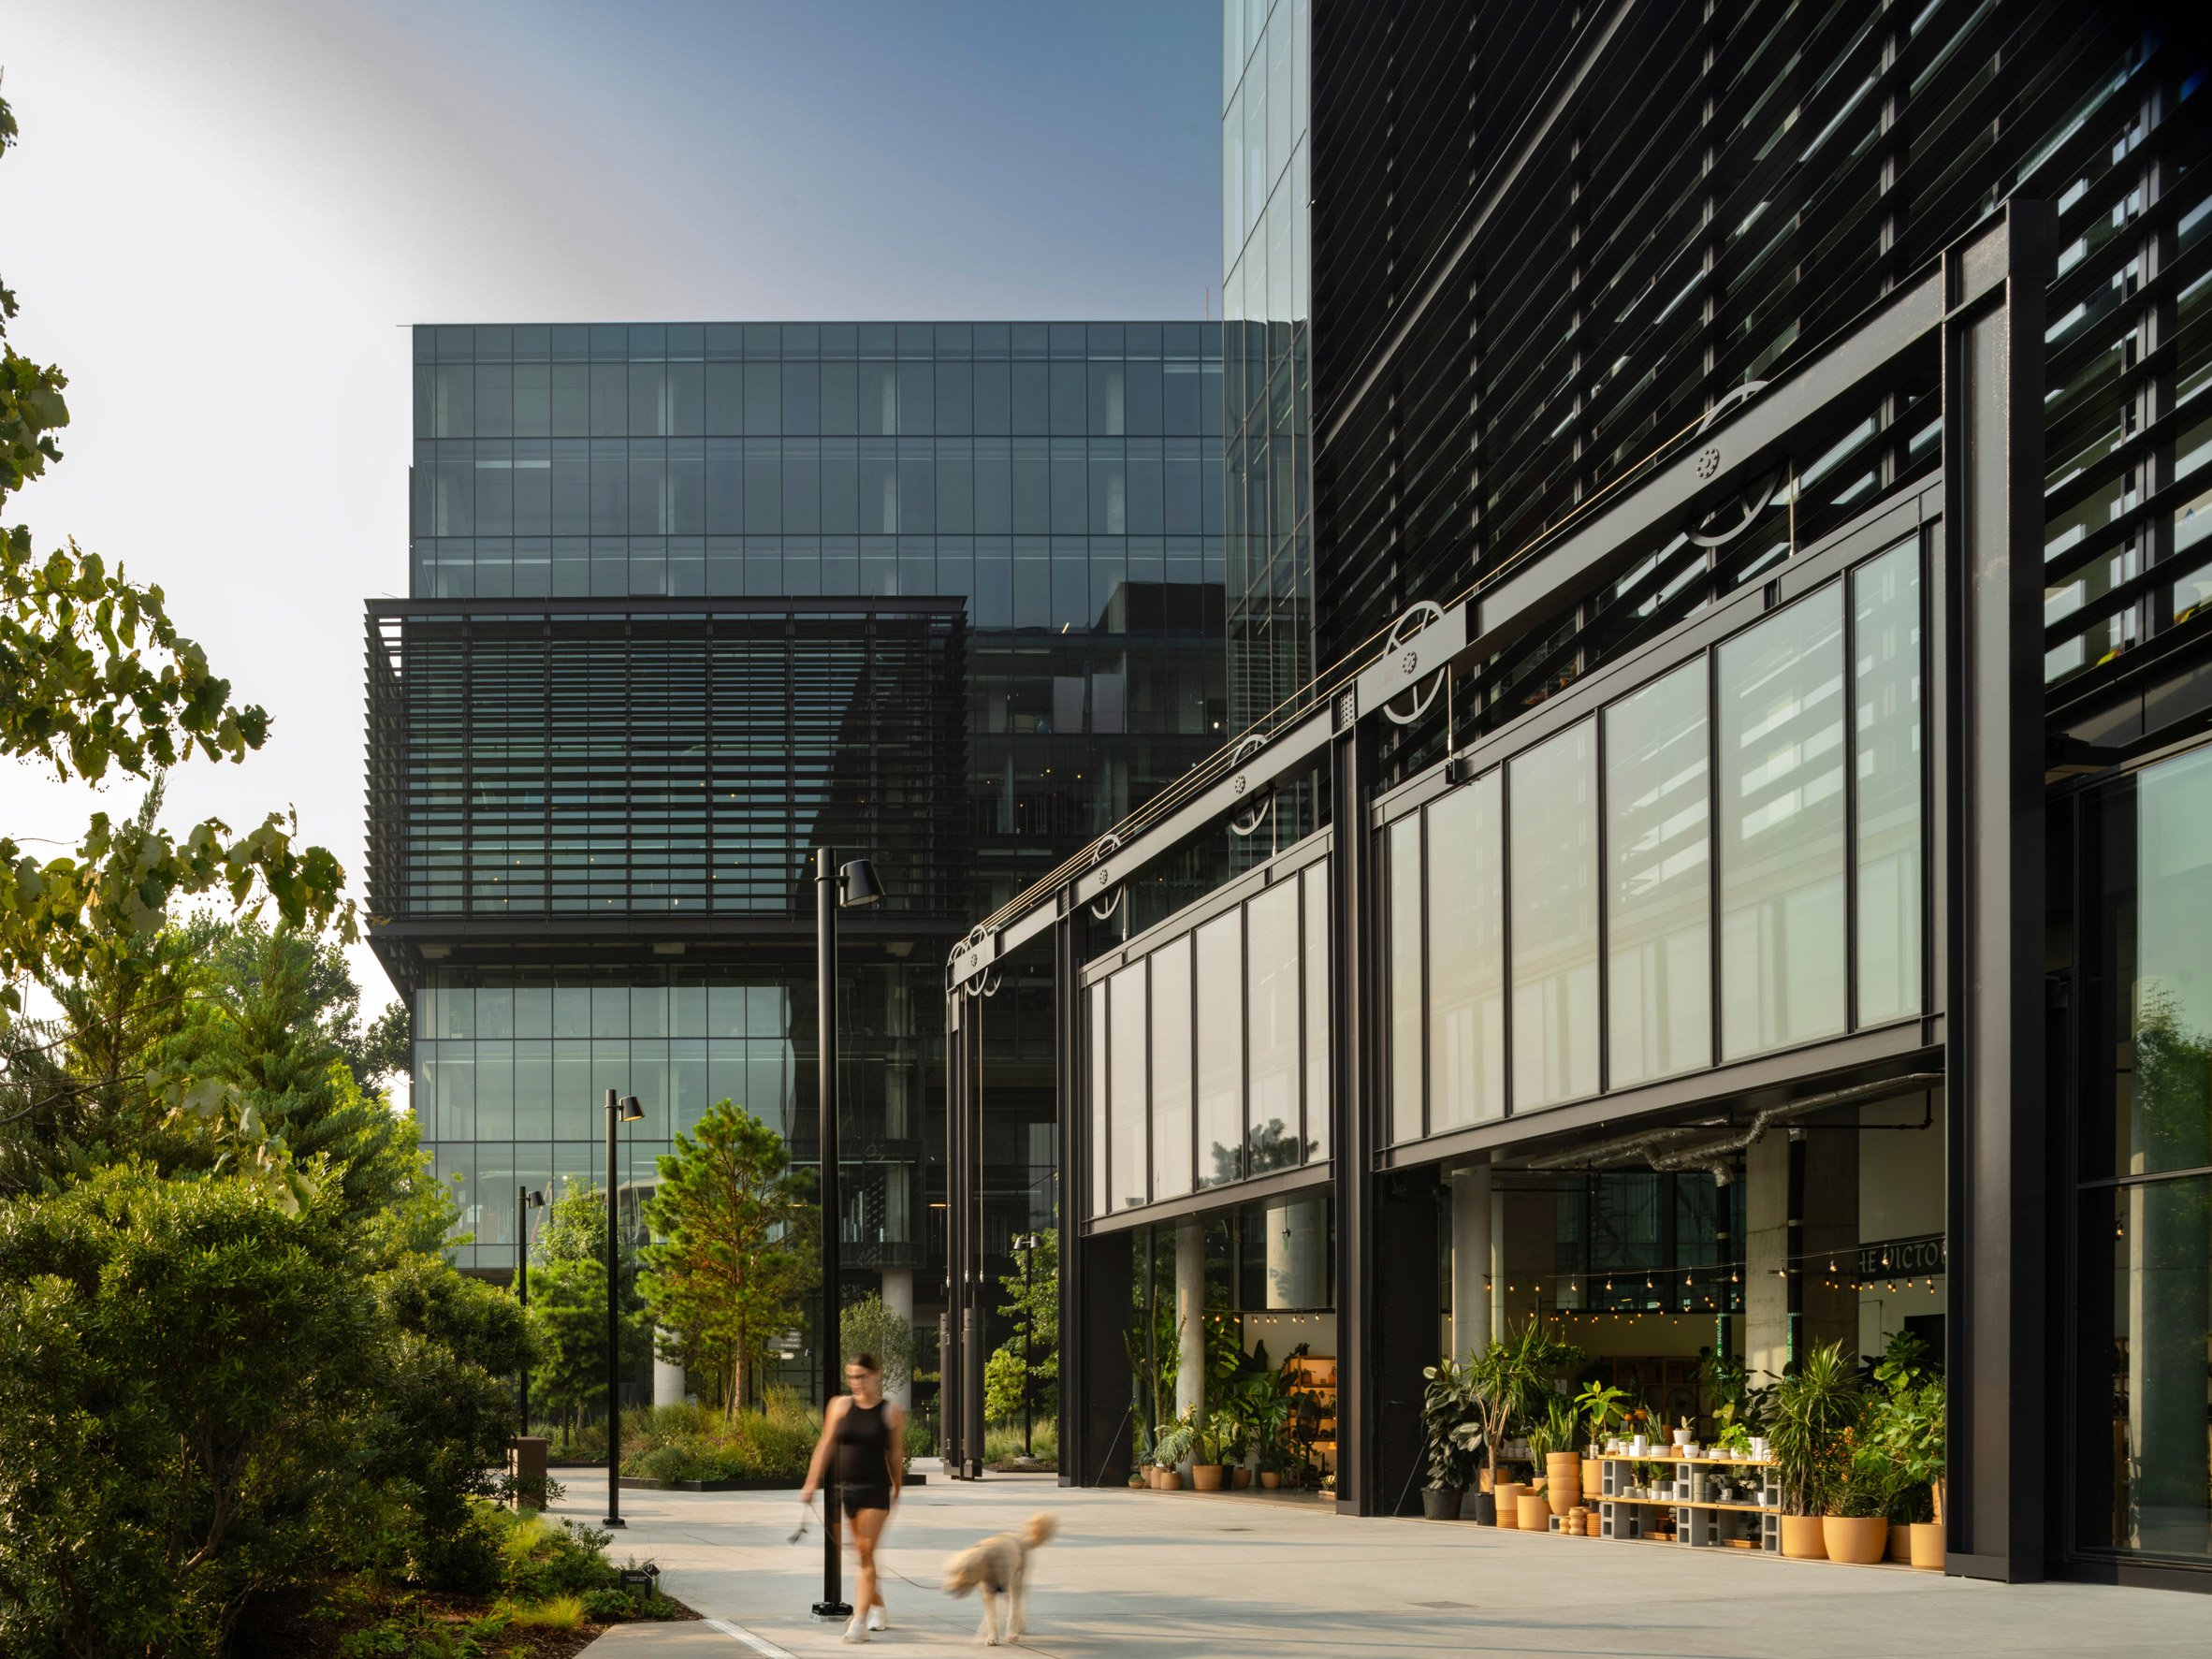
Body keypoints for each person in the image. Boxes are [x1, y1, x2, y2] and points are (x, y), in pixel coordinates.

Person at [801, 1349, 905, 1644]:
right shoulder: (840, 1406)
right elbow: (825, 1445)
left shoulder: (890, 1412)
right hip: (846, 1489)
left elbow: (895, 1453)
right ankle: (879, 1607)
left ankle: (858, 1621)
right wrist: (811, 1483)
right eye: (851, 1377)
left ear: (875, 1375)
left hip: (875, 1489)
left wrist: (897, 1485)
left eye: (861, 1376)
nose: (856, 1382)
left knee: (865, 1551)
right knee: (862, 1554)